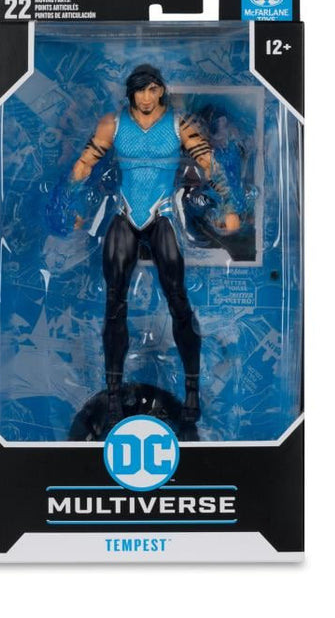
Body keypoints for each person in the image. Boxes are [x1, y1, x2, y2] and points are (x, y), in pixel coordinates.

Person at [71, 64, 239, 426]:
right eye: (139, 91)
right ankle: (113, 395)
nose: (146, 98)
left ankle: (191, 391)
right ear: (130, 93)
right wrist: (72, 202)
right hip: (125, 214)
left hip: (163, 214)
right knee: (114, 303)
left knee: (178, 301)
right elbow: (85, 164)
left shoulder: (179, 124)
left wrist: (228, 204)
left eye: (152, 90)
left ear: (161, 90)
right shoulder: (113, 124)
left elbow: (208, 163)